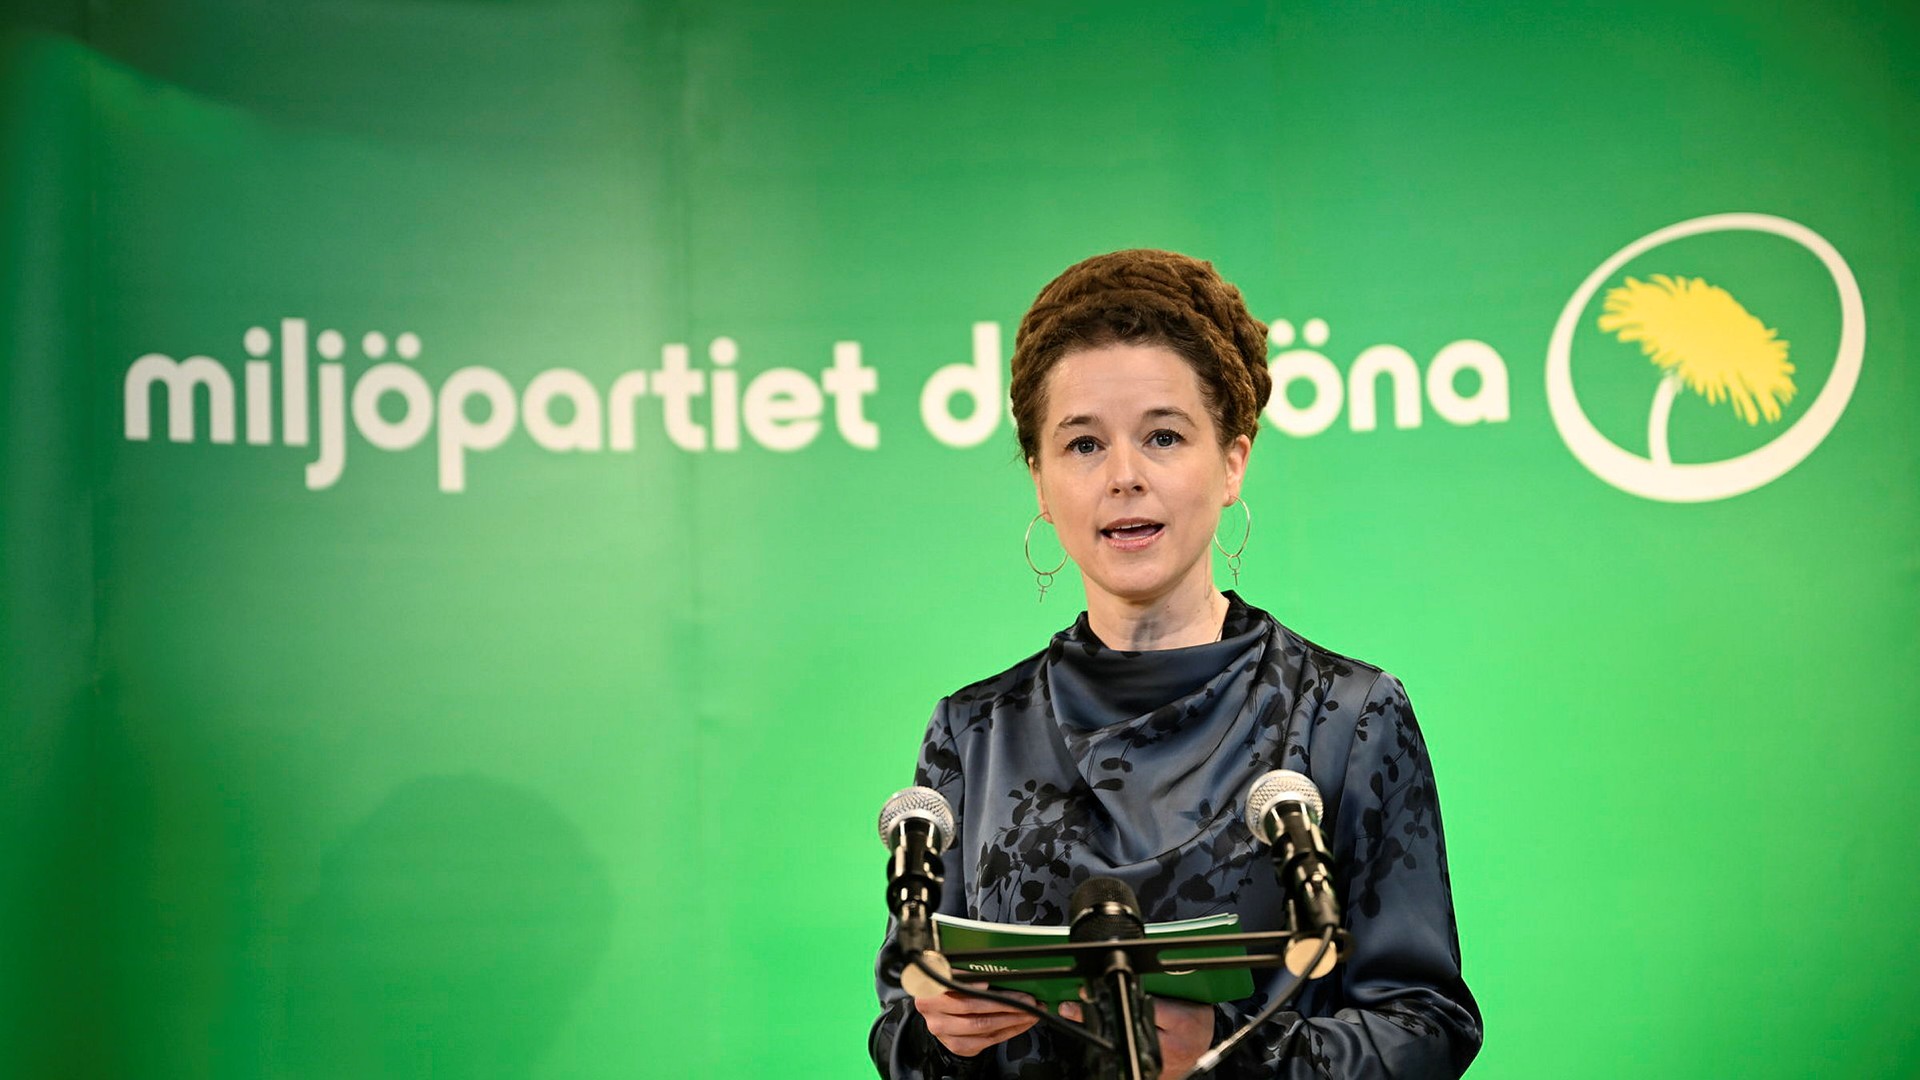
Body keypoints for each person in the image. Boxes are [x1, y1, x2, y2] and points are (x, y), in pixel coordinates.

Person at [870, 250, 1481, 1079]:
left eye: (1163, 436)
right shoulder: (973, 732)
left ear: (1232, 461)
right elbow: (901, 1029)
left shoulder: (1346, 716)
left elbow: (1427, 1027)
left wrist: (1234, 1054)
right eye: (1083, 444)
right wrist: (938, 1034)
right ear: (1041, 483)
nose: (1124, 477)